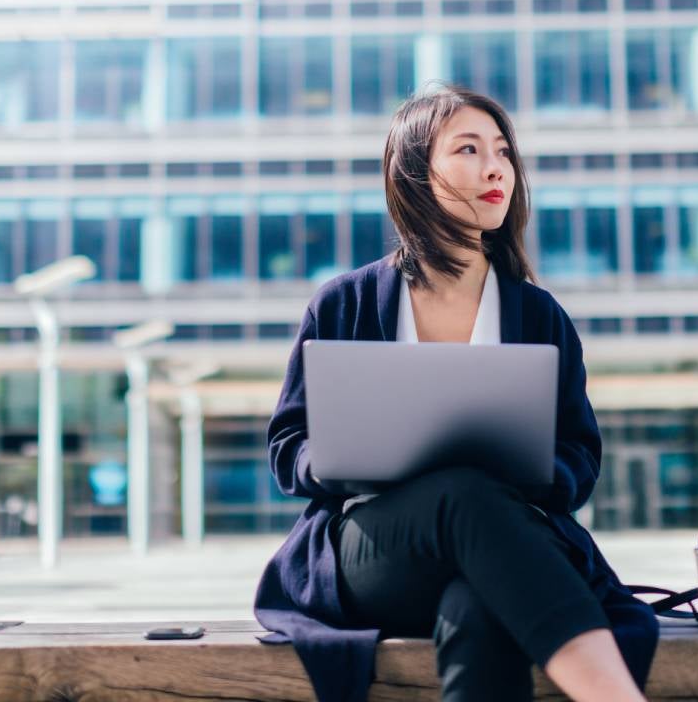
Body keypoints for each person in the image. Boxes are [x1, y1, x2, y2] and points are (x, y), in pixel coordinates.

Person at [253, 84, 658, 702]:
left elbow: (579, 454)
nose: (495, 167)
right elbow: (289, 447)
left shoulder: (538, 314)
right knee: (460, 492)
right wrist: (341, 457)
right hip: (377, 550)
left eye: (502, 152)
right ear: (415, 173)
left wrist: (528, 468)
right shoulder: (345, 302)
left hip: (503, 540)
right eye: (468, 149)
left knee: (478, 604)